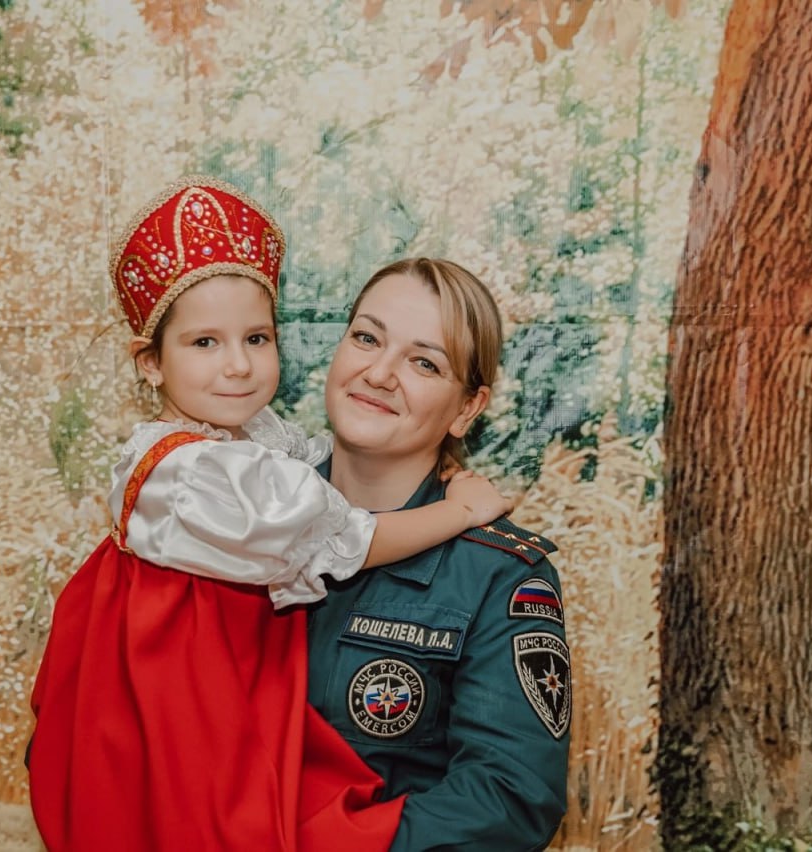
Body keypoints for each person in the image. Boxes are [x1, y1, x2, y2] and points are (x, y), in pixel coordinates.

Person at [26, 180, 512, 851]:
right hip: (181, 724)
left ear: (468, 406)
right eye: (204, 343)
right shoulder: (197, 475)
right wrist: (456, 512)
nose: (237, 366)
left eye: (256, 338)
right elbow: (343, 536)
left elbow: (505, 798)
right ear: (150, 362)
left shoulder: (260, 452)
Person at [305, 258, 572, 850]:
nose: (379, 373)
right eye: (367, 338)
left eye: (424, 362)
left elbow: (508, 800)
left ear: (467, 409)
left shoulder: (499, 575)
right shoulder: (231, 523)